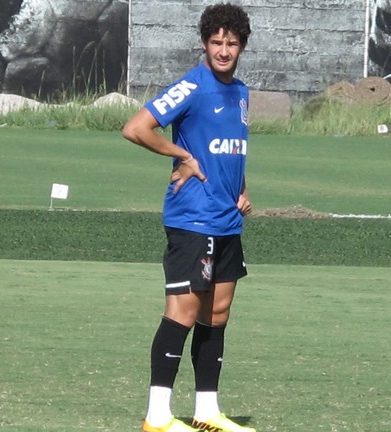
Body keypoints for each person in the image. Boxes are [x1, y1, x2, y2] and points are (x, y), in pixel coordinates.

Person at [122, 4, 254, 432]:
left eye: (231, 43)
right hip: (192, 218)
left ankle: (206, 412)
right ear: (204, 43)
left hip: (227, 220)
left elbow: (231, 146)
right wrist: (180, 155)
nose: (223, 50)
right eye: (216, 42)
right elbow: (136, 128)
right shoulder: (191, 87)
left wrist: (242, 188)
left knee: (217, 313)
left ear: (241, 47)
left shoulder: (242, 93)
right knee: (181, 311)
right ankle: (157, 416)